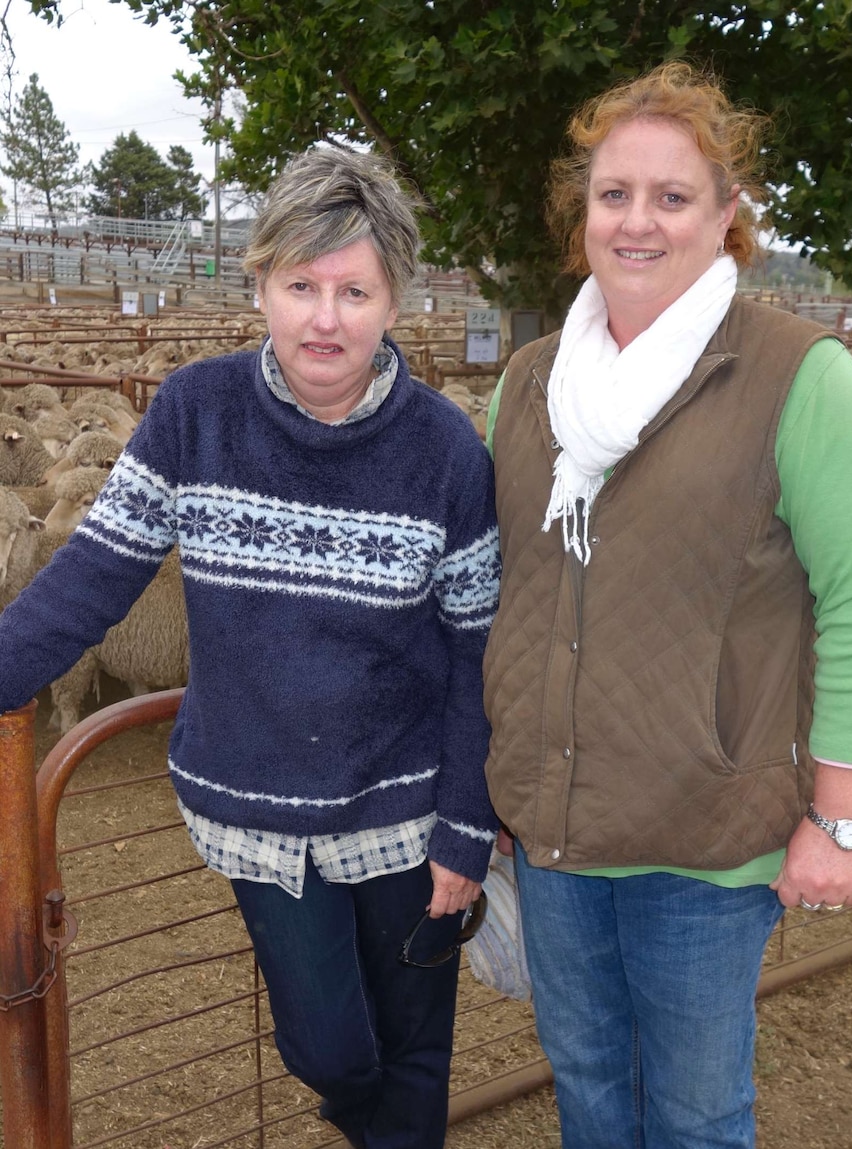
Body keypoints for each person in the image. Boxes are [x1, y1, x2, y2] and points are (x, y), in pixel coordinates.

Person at [0, 146, 500, 1149]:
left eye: (354, 290)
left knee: (416, 1051)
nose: (326, 317)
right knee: (331, 1049)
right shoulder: (198, 414)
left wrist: (465, 826)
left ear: (392, 300)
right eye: (302, 284)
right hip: (261, 815)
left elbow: (473, 654)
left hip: (407, 811)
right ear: (261, 284)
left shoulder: (445, 449)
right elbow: (93, 574)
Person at [483, 61, 852, 1149]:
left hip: (705, 838)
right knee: (591, 1090)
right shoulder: (530, 383)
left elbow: (851, 597)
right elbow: (507, 587)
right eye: (614, 194)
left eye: (672, 195)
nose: (636, 222)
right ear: (582, 212)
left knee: (696, 1115)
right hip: (552, 830)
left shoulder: (798, 376)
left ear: (726, 216)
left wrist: (838, 817)